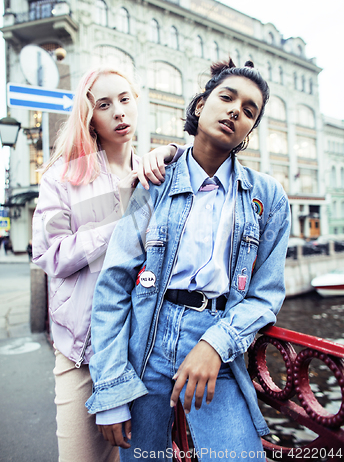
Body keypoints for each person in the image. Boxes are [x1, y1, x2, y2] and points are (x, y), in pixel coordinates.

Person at [86, 59, 291, 460]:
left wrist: (217, 344)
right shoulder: (156, 181)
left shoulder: (267, 197)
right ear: (201, 105)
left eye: (249, 111)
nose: (236, 111)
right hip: (146, 339)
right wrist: (111, 389)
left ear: (250, 129)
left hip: (218, 339)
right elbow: (113, 286)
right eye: (226, 97)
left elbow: (266, 296)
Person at [32, 66, 179, 462]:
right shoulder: (63, 178)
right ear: (89, 117)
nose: (119, 112)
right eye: (104, 104)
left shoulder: (155, 173)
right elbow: (50, 255)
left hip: (143, 349)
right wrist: (119, 229)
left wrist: (171, 150)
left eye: (125, 99)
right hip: (83, 351)